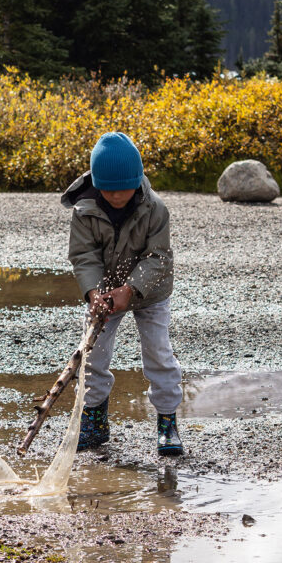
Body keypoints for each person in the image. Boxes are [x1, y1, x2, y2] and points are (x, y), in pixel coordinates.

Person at [61, 131, 183, 456]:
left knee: (158, 353)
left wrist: (132, 289)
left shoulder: (155, 209)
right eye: (109, 190)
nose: (117, 196)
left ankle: (167, 423)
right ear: (98, 184)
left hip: (150, 291)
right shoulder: (84, 211)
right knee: (93, 353)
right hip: (104, 292)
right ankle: (95, 420)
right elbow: (83, 257)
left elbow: (159, 257)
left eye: (124, 189)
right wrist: (93, 293)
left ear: (137, 180)